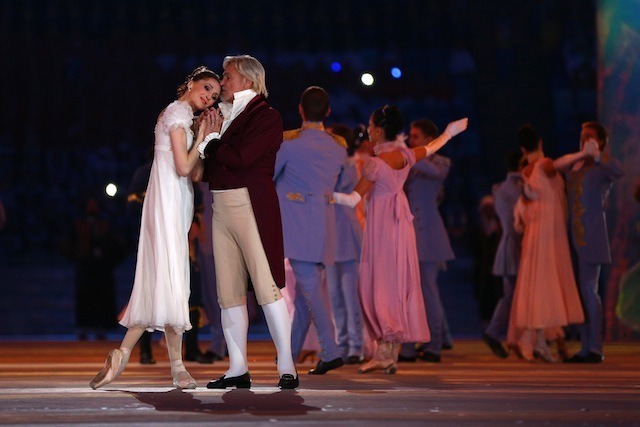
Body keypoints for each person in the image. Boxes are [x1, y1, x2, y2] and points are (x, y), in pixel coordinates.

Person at [89, 66, 221, 389]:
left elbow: (195, 174)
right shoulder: (177, 112)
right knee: (172, 279)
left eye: (215, 96)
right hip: (166, 205)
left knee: (168, 281)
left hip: (176, 203)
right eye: (206, 88)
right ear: (190, 83)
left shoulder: (186, 117)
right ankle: (174, 367)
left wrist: (208, 137)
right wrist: (203, 138)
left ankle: (128, 355)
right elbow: (183, 165)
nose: (209, 97)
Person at [333, 105, 467, 374]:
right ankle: (390, 352)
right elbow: (434, 146)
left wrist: (324, 196)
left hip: (383, 224)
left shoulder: (375, 163)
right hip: (401, 225)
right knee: (395, 282)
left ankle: (385, 350)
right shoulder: (405, 155)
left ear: (379, 130)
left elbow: (352, 199)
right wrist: (451, 131)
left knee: (379, 283)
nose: (368, 129)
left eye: (371, 125)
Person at [199, 55, 298, 389]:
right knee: (228, 293)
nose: (222, 83)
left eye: (227, 77)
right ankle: (237, 367)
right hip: (221, 203)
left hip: (248, 202)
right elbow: (210, 168)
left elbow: (241, 159)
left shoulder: (266, 116)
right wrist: (207, 139)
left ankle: (287, 363)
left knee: (267, 288)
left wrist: (211, 142)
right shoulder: (223, 115)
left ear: (247, 80)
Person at [274, 86, 348, 375]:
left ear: (300, 110)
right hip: (324, 223)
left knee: (310, 291)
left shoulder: (289, 143)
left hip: (296, 223)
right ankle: (289, 356)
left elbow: (270, 176)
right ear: (328, 112)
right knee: (308, 293)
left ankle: (330, 349)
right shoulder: (338, 145)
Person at [506, 124, 585, 362]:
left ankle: (538, 339)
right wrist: (584, 154)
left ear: (522, 148)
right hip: (548, 231)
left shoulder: (526, 170)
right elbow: (560, 164)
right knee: (546, 282)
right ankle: (538, 340)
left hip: (537, 230)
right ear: (539, 142)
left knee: (538, 282)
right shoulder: (543, 164)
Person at [555, 121, 624, 363]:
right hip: (572, 236)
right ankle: (585, 347)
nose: (584, 140)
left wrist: (598, 154)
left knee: (589, 291)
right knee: (579, 294)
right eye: (582, 136)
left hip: (592, 235)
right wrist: (584, 153)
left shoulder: (602, 166)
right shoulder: (577, 164)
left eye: (589, 137)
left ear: (600, 141)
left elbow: (618, 171)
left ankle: (595, 347)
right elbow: (556, 166)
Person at [400, 119, 455, 363]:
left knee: (429, 291)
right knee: (410, 292)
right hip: (410, 233)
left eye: (416, 137)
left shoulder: (441, 162)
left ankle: (434, 343)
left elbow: (434, 172)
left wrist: (410, 154)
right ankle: (414, 344)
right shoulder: (410, 161)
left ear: (429, 139)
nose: (411, 141)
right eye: (410, 136)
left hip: (430, 235)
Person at [325, 122, 365, 364]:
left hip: (346, 233)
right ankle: (341, 343)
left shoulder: (350, 166)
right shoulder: (327, 164)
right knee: (334, 295)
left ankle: (356, 345)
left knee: (350, 294)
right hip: (329, 233)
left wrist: (320, 194)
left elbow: (344, 196)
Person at [482, 149, 523, 358]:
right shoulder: (518, 188)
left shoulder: (499, 188)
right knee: (513, 295)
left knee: (511, 294)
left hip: (508, 243)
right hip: (516, 244)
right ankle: (496, 332)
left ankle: (500, 333)